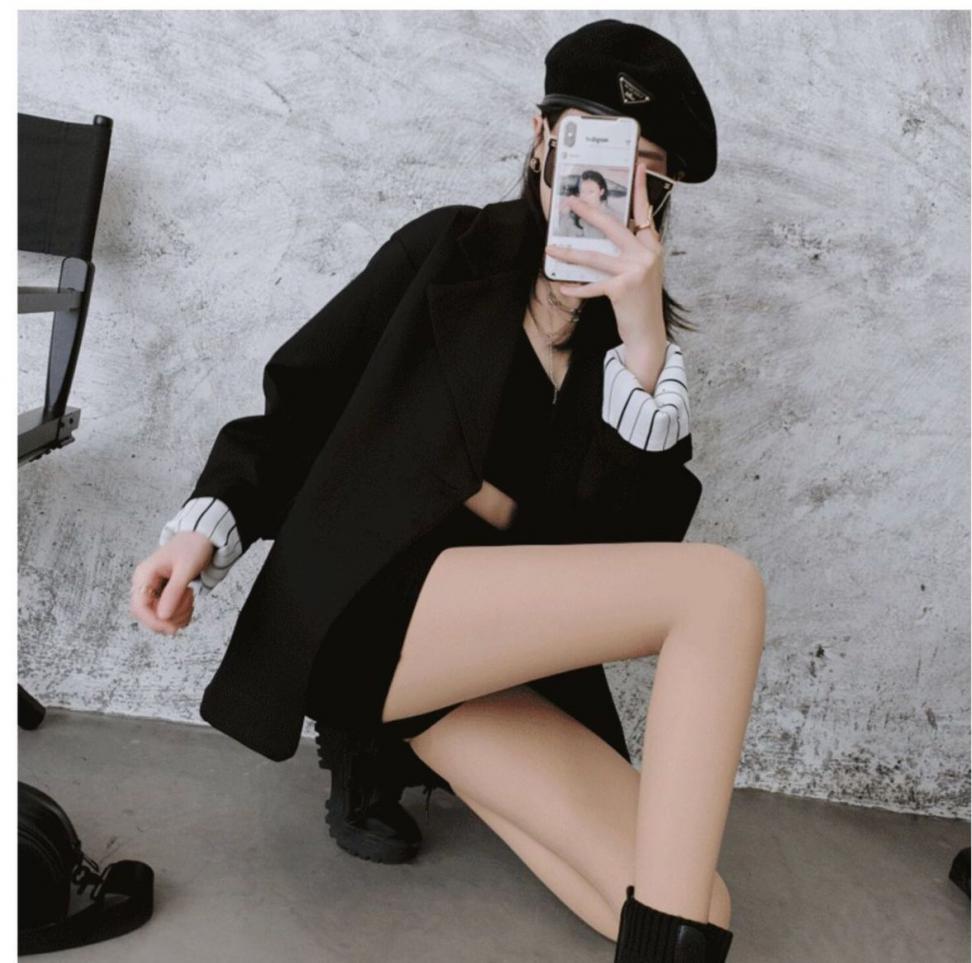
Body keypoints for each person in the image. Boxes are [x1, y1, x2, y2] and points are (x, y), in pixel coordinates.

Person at [131, 18, 764, 963]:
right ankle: (363, 738)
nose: (603, 188)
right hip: (369, 606)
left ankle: (397, 748)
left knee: (690, 900)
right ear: (541, 139)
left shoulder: (631, 351)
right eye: (589, 151)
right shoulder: (447, 251)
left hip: (482, 666)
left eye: (641, 175)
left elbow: (626, 557)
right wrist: (208, 527)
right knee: (723, 588)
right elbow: (305, 399)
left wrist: (642, 339)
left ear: (659, 199)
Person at [556, 170, 611, 238]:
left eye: (591, 192)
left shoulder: (611, 218)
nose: (585, 196)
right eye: (583, 191)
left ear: (601, 192)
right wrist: (563, 215)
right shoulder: (570, 216)